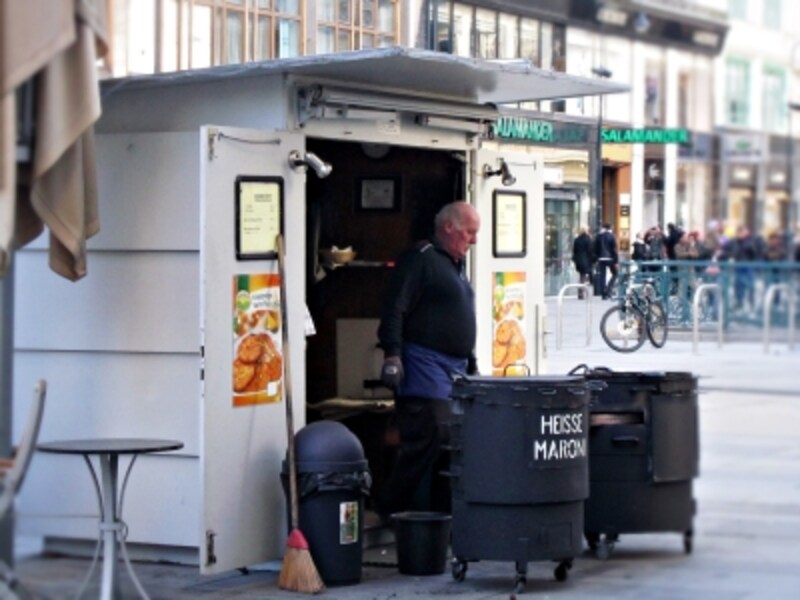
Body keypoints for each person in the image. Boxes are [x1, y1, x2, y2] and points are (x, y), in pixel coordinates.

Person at [376, 201, 480, 518]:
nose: (474, 240)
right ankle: (389, 509)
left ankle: (441, 517)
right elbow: (394, 308)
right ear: (448, 227)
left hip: (456, 368)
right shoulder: (419, 259)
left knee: (454, 442)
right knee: (430, 437)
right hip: (423, 364)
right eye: (469, 232)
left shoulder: (454, 265)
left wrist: (471, 360)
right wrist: (392, 354)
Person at [593, 223, 619, 299]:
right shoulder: (612, 236)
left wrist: (597, 257)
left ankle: (604, 293)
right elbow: (614, 249)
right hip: (610, 258)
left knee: (602, 276)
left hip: (601, 258)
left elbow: (595, 248)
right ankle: (609, 289)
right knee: (615, 273)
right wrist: (616, 260)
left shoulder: (598, 236)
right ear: (610, 228)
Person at [572, 226, 594, 299]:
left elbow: (574, 251)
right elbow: (590, 251)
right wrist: (592, 259)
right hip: (586, 259)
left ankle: (581, 292)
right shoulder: (588, 239)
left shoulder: (577, 240)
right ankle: (581, 292)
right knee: (584, 276)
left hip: (578, 260)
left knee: (582, 275)